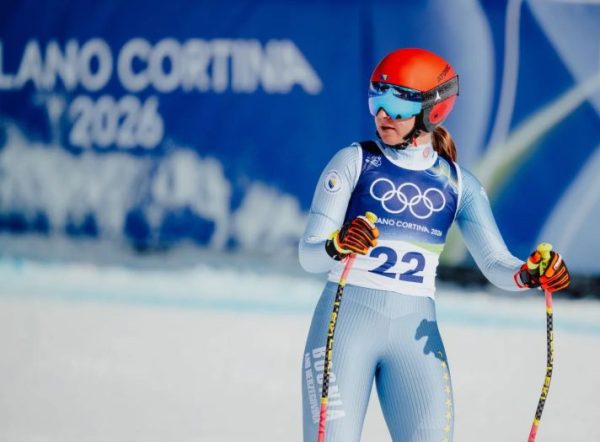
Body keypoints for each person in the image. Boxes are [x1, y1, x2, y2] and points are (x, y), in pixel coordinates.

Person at [298, 48, 570, 442]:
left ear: (433, 109)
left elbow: (496, 263)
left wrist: (530, 274)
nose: (382, 114)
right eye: (376, 99)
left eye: (397, 103)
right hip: (344, 332)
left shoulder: (460, 185)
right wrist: (337, 244)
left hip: (415, 338)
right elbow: (308, 255)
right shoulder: (354, 161)